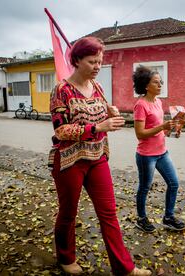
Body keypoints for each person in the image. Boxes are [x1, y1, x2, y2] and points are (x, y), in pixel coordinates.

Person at [49, 37, 151, 276]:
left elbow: (103, 116)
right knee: (68, 213)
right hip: (69, 160)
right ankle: (65, 257)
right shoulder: (61, 90)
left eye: (100, 62)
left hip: (97, 158)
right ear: (76, 60)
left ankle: (124, 268)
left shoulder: (98, 88)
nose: (97, 66)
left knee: (109, 213)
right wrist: (97, 128)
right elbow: (61, 130)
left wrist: (112, 113)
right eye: (92, 61)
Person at [132, 66, 185, 233]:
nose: (160, 84)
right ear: (146, 85)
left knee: (174, 183)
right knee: (144, 188)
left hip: (162, 152)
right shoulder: (140, 105)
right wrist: (162, 126)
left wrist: (172, 130)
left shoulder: (158, 102)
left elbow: (160, 130)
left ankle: (168, 217)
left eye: (160, 81)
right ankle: (141, 218)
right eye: (156, 82)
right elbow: (140, 134)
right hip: (146, 155)